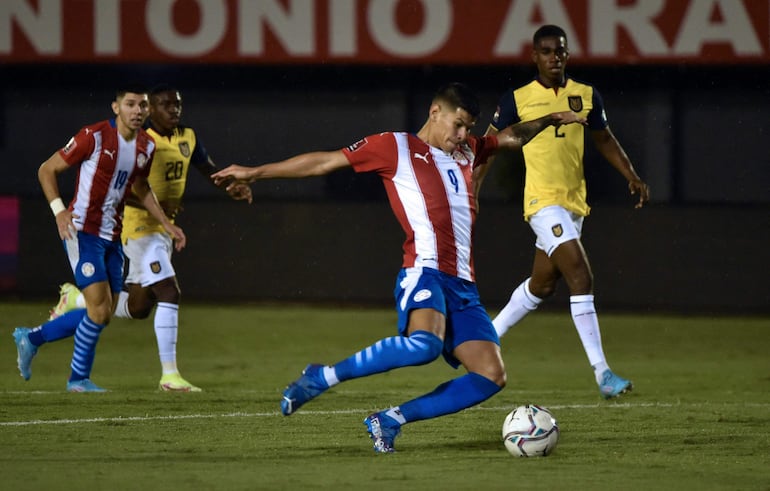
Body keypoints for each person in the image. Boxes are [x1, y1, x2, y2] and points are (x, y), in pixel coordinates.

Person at [211, 82, 585, 452]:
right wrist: (255, 172)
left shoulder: (469, 150)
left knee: (491, 376)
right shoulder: (396, 147)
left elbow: (512, 137)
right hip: (424, 271)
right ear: (434, 112)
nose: (463, 134)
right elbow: (325, 161)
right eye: (457, 124)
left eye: (469, 127)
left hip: (464, 286)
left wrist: (551, 118)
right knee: (423, 346)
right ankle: (322, 376)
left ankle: (390, 419)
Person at [476, 25, 650, 399]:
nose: (554, 57)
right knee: (581, 277)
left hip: (574, 205)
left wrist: (631, 175)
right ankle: (603, 374)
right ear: (534, 56)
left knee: (541, 285)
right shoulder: (517, 99)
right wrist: (473, 190)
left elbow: (604, 139)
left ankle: (484, 337)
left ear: (567, 55)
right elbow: (488, 145)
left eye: (560, 51)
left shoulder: (586, 96)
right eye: (546, 51)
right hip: (542, 202)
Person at [46, 84, 253, 392]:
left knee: (138, 307)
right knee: (168, 292)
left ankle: (74, 299)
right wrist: (60, 210)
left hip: (158, 228)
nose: (174, 110)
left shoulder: (179, 139)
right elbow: (119, 191)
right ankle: (168, 375)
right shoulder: (117, 137)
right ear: (145, 109)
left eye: (178, 104)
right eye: (165, 105)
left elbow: (205, 170)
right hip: (133, 229)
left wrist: (229, 186)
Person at [12, 84, 186, 392]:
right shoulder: (93, 137)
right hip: (83, 231)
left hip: (113, 236)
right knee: (100, 309)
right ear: (116, 107)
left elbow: (141, 187)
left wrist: (166, 223)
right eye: (130, 104)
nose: (138, 111)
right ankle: (77, 379)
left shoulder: (146, 146)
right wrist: (59, 212)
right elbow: (46, 169)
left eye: (142, 106)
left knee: (104, 313)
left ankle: (32, 338)